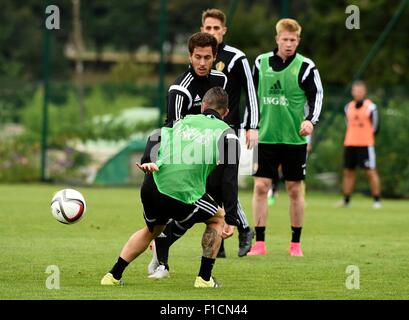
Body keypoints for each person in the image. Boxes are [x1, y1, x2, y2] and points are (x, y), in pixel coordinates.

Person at [100, 87, 239, 288]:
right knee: (217, 218)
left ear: (203, 106)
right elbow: (229, 179)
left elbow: (155, 135)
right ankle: (204, 279)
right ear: (226, 112)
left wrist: (148, 159)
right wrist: (232, 218)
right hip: (182, 192)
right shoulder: (228, 134)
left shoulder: (182, 121)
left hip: (152, 184)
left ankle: (112, 275)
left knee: (152, 229)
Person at [146, 32, 239, 280]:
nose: (202, 62)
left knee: (205, 213)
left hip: (208, 159)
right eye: (197, 57)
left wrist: (224, 144)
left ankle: (171, 253)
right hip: (184, 161)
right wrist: (154, 160)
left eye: (207, 57)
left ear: (214, 57)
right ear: (189, 56)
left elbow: (222, 113)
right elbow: (169, 130)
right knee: (189, 213)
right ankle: (166, 260)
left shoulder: (220, 79)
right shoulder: (180, 90)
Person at [247, 18, 323, 257]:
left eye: (293, 40)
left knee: (293, 189)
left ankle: (295, 244)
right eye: (285, 39)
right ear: (277, 39)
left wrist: (310, 120)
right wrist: (250, 126)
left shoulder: (306, 66)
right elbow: (251, 96)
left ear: (298, 41)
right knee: (261, 186)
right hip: (266, 136)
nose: (289, 44)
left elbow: (316, 97)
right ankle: (259, 243)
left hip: (294, 139)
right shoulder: (260, 63)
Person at [200, 8, 259, 258]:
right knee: (209, 183)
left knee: (226, 183)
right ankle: (220, 241)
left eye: (216, 28)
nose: (212, 32)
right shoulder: (200, 57)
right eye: (207, 28)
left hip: (229, 129)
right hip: (204, 131)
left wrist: (252, 126)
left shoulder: (236, 58)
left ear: (223, 30)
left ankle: (244, 228)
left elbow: (251, 93)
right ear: (202, 29)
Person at [337, 80, 381, 209]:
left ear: (364, 92)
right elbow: (348, 124)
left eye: (360, 90)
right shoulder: (348, 107)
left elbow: (376, 127)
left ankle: (377, 200)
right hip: (350, 143)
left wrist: (365, 136)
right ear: (352, 92)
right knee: (348, 172)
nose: (358, 93)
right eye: (355, 90)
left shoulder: (371, 107)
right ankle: (346, 200)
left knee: (370, 172)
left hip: (366, 145)